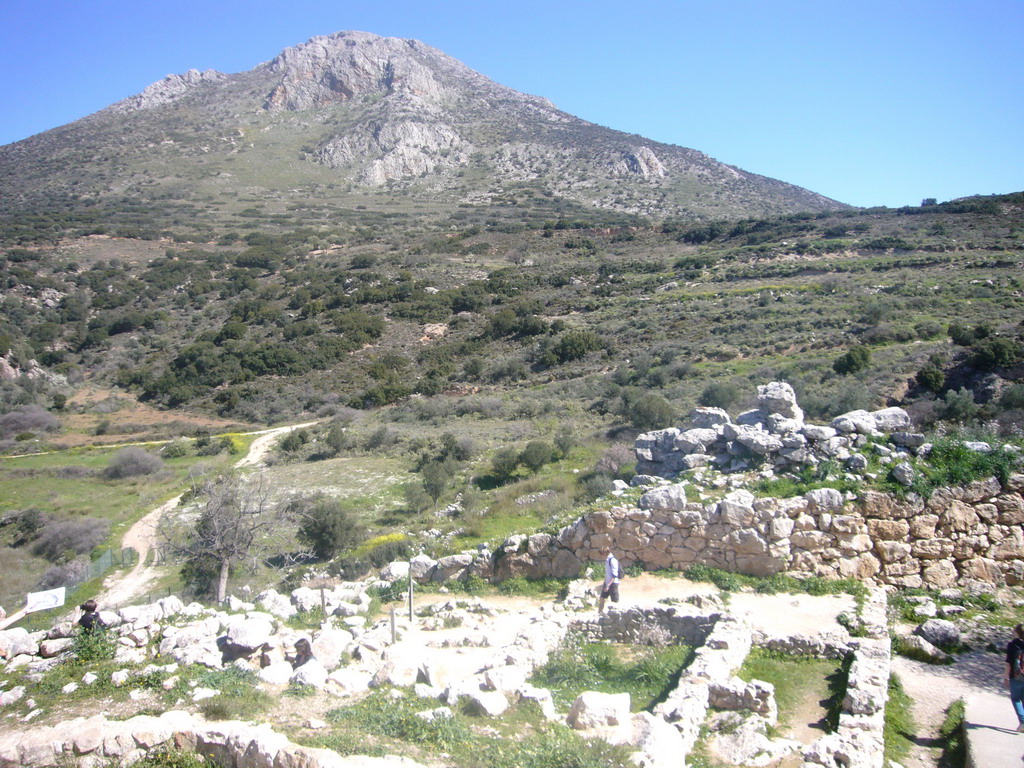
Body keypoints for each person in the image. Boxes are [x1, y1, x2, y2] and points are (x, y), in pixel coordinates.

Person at [1005, 624, 1024, 732]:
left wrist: (1005, 677)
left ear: (1017, 632)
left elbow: (1008, 663)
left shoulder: (1012, 645)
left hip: (1015, 676)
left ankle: (1023, 722)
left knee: (1016, 698)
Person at [597, 549, 621, 614]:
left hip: (613, 584)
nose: (601, 555)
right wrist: (605, 583)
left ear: (605, 553)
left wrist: (608, 585)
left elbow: (614, 575)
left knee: (615, 601)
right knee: (602, 598)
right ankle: (599, 613)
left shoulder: (612, 560)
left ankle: (616, 615)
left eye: (602, 553)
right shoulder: (607, 560)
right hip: (607, 582)